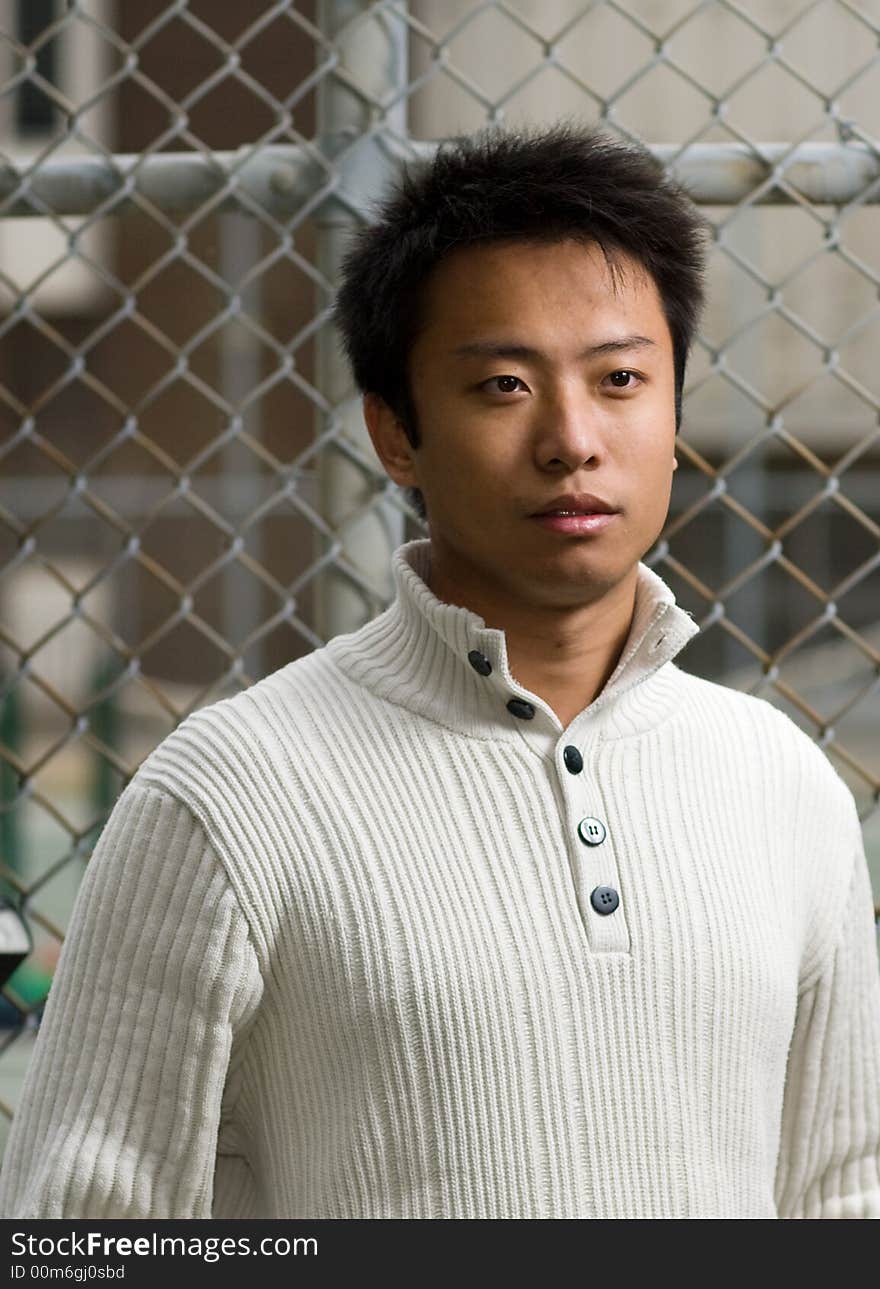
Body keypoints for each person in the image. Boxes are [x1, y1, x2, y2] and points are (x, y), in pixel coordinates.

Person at [1, 121, 878, 1220]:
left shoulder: (780, 782)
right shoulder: (230, 794)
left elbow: (843, 1194)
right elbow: (84, 1231)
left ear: (672, 410)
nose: (571, 437)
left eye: (617, 378)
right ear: (394, 433)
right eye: (504, 385)